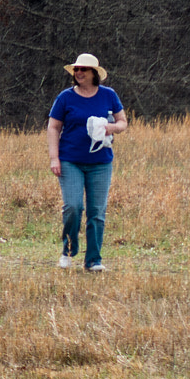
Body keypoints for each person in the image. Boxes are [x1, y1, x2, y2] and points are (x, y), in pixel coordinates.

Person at [45, 53, 127, 270]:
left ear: (94, 73)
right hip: (70, 160)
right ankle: (68, 252)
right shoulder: (65, 98)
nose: (79, 72)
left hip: (100, 163)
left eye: (83, 69)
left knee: (97, 212)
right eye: (76, 69)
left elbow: (123, 122)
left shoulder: (109, 95)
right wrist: (55, 158)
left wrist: (113, 128)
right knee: (73, 206)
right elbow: (53, 127)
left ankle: (93, 261)